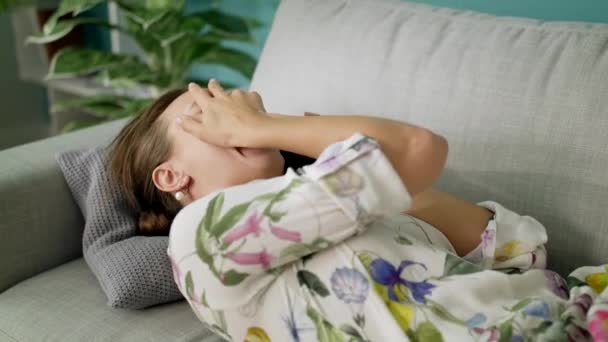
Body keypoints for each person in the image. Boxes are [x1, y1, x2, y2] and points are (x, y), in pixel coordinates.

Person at [107, 80, 586, 341]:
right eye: (205, 109)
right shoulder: (199, 235)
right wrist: (267, 126)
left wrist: (314, 148)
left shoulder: (349, 214)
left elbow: (518, 255)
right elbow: (419, 147)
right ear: (171, 176)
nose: (233, 104)